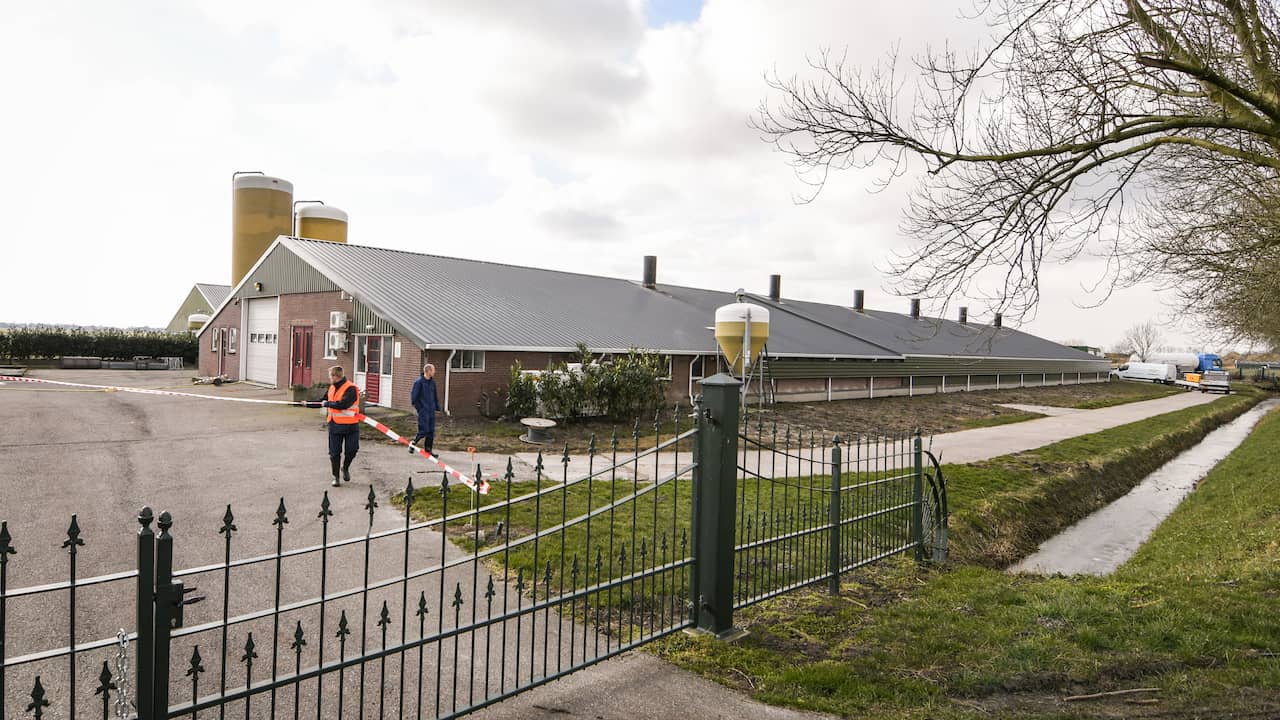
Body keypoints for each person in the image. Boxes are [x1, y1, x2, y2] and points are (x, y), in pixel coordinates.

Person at [308, 365, 361, 487]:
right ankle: (336, 477)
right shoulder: (331, 388)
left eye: (330, 376)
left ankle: (345, 467)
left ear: (335, 376)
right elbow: (323, 401)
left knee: (352, 450)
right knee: (334, 453)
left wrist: (327, 403)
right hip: (335, 425)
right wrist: (308, 404)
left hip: (351, 426)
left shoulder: (351, 389)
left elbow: (344, 404)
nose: (329, 378)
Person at [410, 362, 440, 454]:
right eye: (433, 370)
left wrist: (437, 406)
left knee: (431, 431)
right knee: (424, 430)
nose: (434, 372)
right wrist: (420, 408)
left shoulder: (432, 382)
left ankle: (428, 449)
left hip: (431, 410)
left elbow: (434, 395)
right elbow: (414, 397)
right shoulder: (419, 382)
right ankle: (413, 443)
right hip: (423, 410)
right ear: (428, 371)